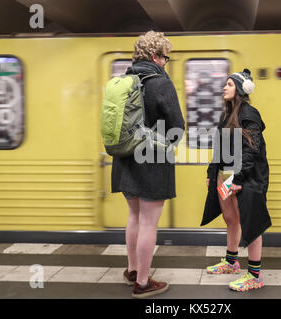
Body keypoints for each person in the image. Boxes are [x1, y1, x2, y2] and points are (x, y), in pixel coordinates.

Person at [111, 31, 185, 298]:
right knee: (149, 224)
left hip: (124, 160)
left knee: (133, 217)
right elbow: (177, 127)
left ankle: (132, 269)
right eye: (165, 57)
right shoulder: (160, 83)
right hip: (151, 162)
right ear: (155, 56)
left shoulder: (122, 80)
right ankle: (142, 283)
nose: (166, 62)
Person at [201, 69, 272, 292]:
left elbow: (252, 151)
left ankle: (254, 275)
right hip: (225, 176)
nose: (225, 87)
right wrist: (212, 173)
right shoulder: (227, 116)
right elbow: (219, 148)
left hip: (245, 178)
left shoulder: (250, 115)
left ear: (240, 90)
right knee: (230, 218)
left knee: (251, 224)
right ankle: (231, 262)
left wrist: (237, 179)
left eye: (229, 84)